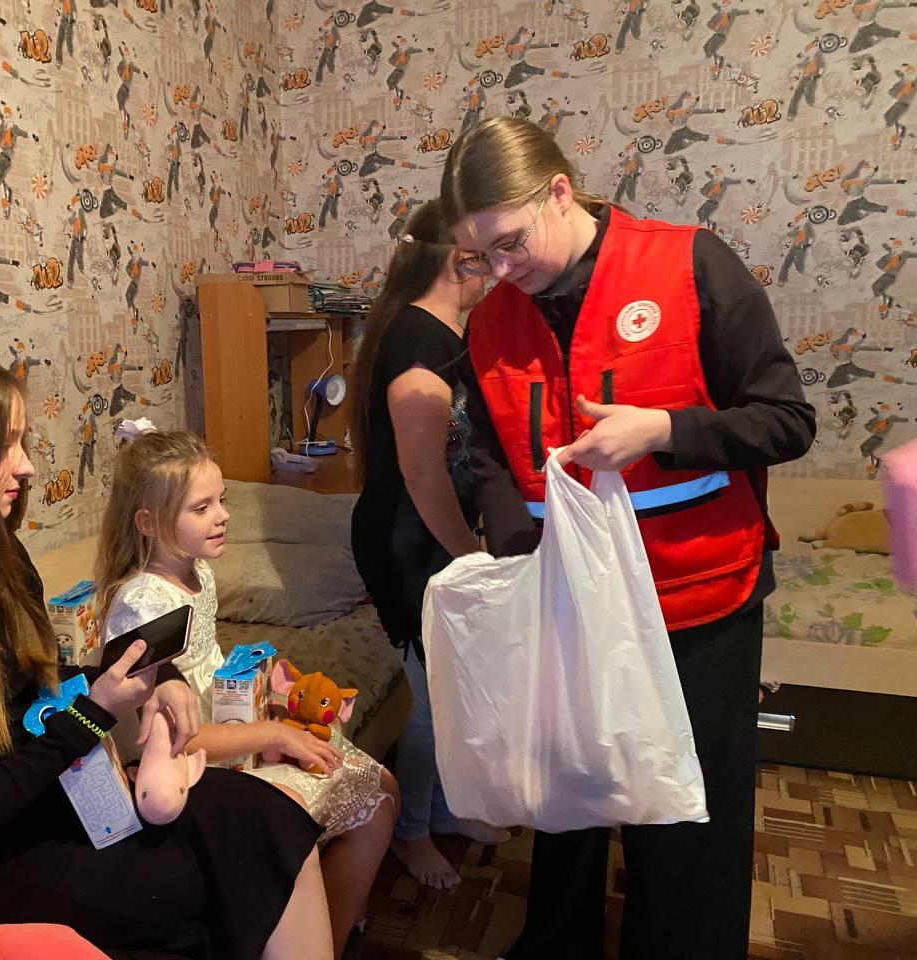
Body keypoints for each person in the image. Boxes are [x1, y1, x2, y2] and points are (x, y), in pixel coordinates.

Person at [0, 344, 333, 960]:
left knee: (270, 818)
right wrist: (90, 718)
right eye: (4, 446)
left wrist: (158, 673)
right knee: (188, 889)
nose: (28, 467)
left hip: (51, 798)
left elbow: (31, 679)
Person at [439, 117, 816, 959]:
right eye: (479, 256)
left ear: (559, 192)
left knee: (687, 830)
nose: (500, 271)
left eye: (509, 243)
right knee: (568, 802)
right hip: (569, 608)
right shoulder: (493, 323)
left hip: (697, 605)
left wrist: (666, 430)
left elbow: (788, 421)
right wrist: (515, 550)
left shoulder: (689, 266)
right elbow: (490, 455)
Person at [92, 427, 399, 960]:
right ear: (148, 523)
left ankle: (332, 935)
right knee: (334, 811)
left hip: (231, 732)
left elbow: (211, 670)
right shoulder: (144, 605)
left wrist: (263, 693)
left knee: (381, 791)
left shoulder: (198, 574)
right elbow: (176, 740)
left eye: (222, 501)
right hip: (188, 768)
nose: (223, 516)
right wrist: (273, 733)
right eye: (202, 507)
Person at [349, 199, 503, 892]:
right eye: (488, 256)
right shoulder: (416, 340)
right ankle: (411, 833)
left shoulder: (443, 332)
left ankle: (445, 808)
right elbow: (422, 474)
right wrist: (472, 555)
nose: (496, 270)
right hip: (408, 543)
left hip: (430, 537)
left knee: (454, 691)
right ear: (459, 260)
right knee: (432, 700)